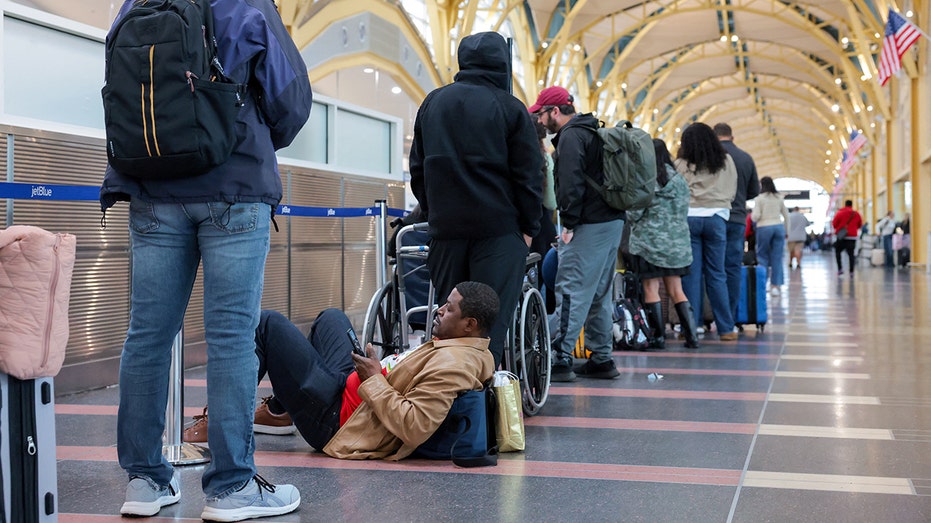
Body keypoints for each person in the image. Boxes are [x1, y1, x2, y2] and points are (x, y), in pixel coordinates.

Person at [100, 0, 314, 520]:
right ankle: (231, 487)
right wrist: (246, 132)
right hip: (235, 186)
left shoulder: (134, 4)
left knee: (147, 335)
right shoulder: (246, 4)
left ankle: (145, 481)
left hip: (151, 190)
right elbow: (290, 100)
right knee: (231, 338)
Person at [182, 282, 496, 460]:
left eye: (450, 308)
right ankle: (283, 409)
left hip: (338, 420)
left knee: (267, 325)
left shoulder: (453, 364)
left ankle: (224, 423)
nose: (440, 309)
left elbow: (414, 425)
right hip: (354, 390)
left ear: (470, 325)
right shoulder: (461, 347)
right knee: (331, 318)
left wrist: (374, 377)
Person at [409, 31, 542, 368]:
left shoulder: (433, 103)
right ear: (502, 62)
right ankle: (483, 411)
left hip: (446, 233)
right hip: (498, 233)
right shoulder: (511, 109)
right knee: (486, 328)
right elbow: (528, 176)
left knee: (450, 323)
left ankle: (444, 405)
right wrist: (528, 228)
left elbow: (418, 169)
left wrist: (435, 211)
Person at [530, 85, 626, 381]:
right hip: (612, 223)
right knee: (599, 293)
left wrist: (569, 225)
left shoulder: (571, 137)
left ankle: (560, 358)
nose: (540, 120)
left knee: (571, 290)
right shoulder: (592, 130)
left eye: (541, 114)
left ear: (555, 111)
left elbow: (571, 186)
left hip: (588, 225)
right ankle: (602, 358)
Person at [626, 139, 699, 349]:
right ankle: (691, 336)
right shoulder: (679, 180)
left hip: (649, 245)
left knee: (651, 288)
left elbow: (634, 212)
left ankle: (659, 337)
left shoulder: (645, 179)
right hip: (676, 245)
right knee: (676, 289)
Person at [675, 123, 738, 342]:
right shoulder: (726, 161)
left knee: (691, 274)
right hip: (716, 219)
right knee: (717, 274)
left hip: (689, 218)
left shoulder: (681, 163)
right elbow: (732, 189)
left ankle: (692, 327)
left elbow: (677, 190)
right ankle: (726, 328)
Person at [713, 123, 760, 329]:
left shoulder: (711, 156)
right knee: (732, 268)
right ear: (732, 136)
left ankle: (706, 317)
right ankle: (729, 319)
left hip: (714, 216)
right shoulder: (745, 158)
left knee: (712, 268)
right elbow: (753, 191)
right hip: (737, 218)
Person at [750, 177, 790, 295]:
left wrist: (753, 217)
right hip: (778, 227)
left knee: (762, 256)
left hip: (764, 227)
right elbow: (786, 216)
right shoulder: (779, 198)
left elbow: (755, 216)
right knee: (777, 257)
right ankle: (775, 287)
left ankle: (763, 284)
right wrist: (786, 231)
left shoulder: (759, 199)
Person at [832, 200, 863, 276]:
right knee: (851, 254)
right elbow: (860, 224)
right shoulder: (856, 214)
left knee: (838, 252)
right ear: (852, 205)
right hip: (852, 237)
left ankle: (840, 269)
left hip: (842, 237)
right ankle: (851, 271)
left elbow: (834, 224)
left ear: (845, 205)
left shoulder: (840, 213)